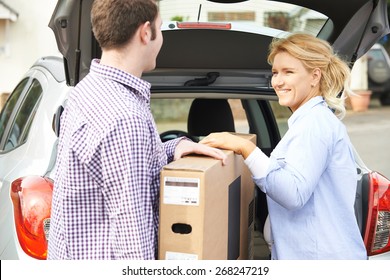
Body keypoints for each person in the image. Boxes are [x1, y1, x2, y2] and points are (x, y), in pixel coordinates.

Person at [47, 0, 226, 260]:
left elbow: (107, 168)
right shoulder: (126, 117)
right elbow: (132, 238)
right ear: (145, 33)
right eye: (161, 28)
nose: (161, 37)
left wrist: (174, 146)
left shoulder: (85, 92)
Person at [200, 33, 368, 260]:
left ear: (314, 76)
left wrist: (245, 148)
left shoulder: (314, 125)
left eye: (288, 72)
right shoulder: (310, 121)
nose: (277, 81)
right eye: (275, 73)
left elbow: (292, 193)